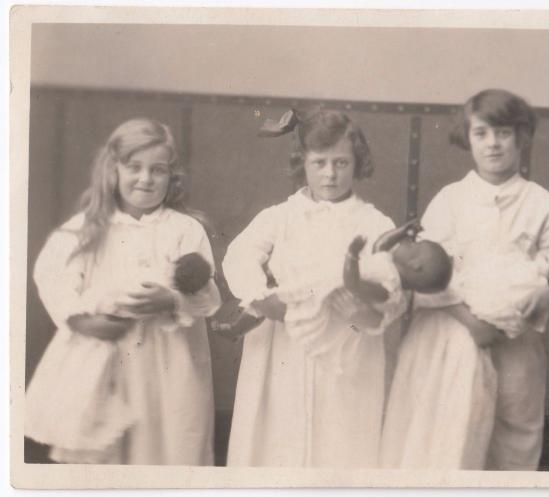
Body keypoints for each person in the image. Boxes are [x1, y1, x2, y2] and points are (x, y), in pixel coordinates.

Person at [380, 89, 549, 470]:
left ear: (522, 136)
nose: (493, 144)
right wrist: (472, 324)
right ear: (467, 138)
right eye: (481, 133)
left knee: (515, 435)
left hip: (516, 340)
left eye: (503, 133)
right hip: (452, 333)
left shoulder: (543, 204)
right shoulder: (451, 200)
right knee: (451, 437)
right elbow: (425, 274)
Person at [25, 118, 221, 465]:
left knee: (171, 443)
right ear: (113, 170)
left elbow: (207, 294)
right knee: (109, 448)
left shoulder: (184, 230)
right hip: (108, 355)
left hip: (170, 362)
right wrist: (81, 320)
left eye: (157, 170)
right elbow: (52, 278)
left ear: (171, 177)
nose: (145, 178)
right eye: (134, 167)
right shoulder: (86, 229)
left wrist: (172, 300)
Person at [224, 109, 398, 468]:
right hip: (284, 341)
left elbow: (390, 280)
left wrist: (364, 309)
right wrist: (261, 297)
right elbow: (239, 256)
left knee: (341, 440)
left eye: (341, 163)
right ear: (302, 162)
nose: (330, 174)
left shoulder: (373, 222)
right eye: (319, 163)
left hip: (345, 343)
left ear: (357, 163)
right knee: (278, 441)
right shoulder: (281, 216)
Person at [212, 219, 451, 344]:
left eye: (414, 245)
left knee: (276, 299)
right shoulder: (388, 264)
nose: (408, 242)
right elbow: (380, 245)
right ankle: (240, 326)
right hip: (322, 279)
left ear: (416, 265)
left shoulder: (389, 289)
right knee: (270, 295)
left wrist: (352, 256)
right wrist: (401, 232)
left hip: (322, 292)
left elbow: (353, 283)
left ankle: (239, 326)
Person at [456, 235, 549, 338]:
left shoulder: (538, 287)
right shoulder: (521, 260)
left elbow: (513, 311)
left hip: (484, 319)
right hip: (465, 298)